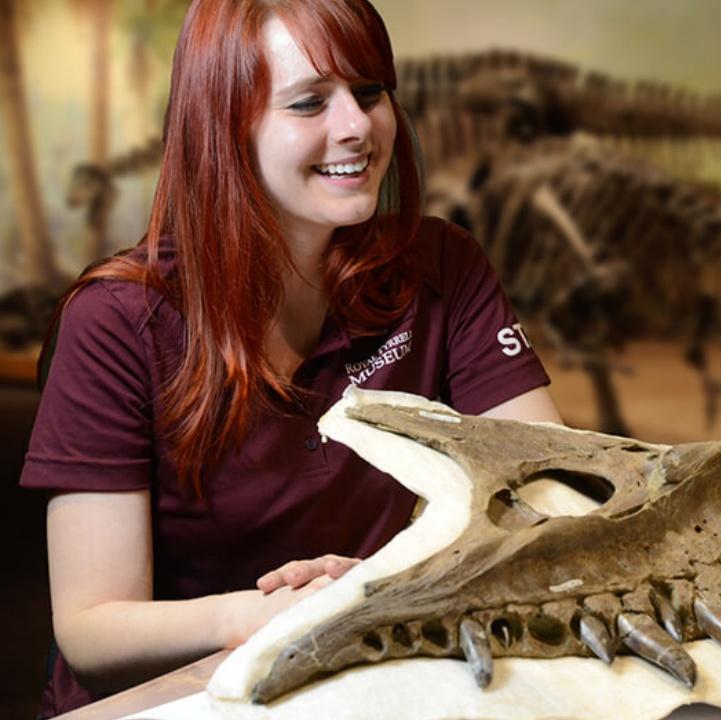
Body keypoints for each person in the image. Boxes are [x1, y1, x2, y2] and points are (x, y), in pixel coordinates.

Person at [19, 0, 562, 715]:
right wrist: (266, 613)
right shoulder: (115, 320)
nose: (357, 126)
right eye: (309, 103)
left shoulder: (441, 264)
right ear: (223, 128)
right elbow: (92, 627)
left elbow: (553, 494)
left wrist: (379, 587)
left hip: (356, 676)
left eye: (369, 92)